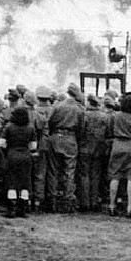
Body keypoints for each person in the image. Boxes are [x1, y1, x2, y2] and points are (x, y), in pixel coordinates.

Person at [47, 84, 85, 212]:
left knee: (53, 170)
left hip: (56, 137)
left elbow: (50, 122)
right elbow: (81, 128)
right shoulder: (79, 109)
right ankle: (68, 202)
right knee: (70, 171)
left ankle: (52, 201)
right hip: (71, 138)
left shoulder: (58, 106)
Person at [0, 106, 37, 217]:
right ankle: (23, 209)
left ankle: (12, 209)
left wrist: (7, 152)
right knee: (25, 182)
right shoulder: (30, 128)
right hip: (26, 156)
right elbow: (33, 146)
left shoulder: (8, 127)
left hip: (12, 155)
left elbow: (1, 143)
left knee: (11, 182)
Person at [79, 95, 109, 212]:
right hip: (99, 149)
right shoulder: (104, 116)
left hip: (85, 148)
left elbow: (81, 131)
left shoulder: (84, 115)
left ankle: (84, 203)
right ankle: (94, 202)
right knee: (96, 175)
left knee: (84, 175)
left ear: (89, 103)